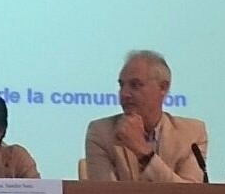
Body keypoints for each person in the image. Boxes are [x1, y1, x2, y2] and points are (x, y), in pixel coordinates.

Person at [85, 50, 207, 182]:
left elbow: (189, 192)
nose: (124, 93)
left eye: (135, 85)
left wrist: (144, 153)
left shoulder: (192, 133)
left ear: (163, 87)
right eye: (121, 85)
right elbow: (106, 193)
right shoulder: (101, 132)